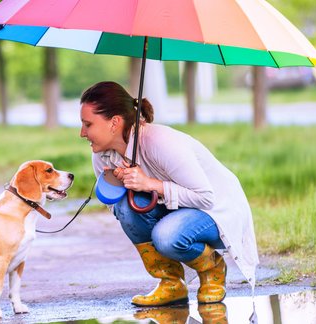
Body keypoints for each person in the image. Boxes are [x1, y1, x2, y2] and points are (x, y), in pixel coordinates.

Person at [79, 81, 259, 307]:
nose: (82, 133)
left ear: (114, 122)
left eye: (88, 124)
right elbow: (117, 210)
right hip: (179, 209)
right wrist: (116, 184)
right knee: (125, 206)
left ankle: (213, 267)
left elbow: (205, 197)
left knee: (166, 236)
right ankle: (171, 283)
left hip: (215, 211)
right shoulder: (102, 155)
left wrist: (150, 184)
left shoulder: (159, 141)